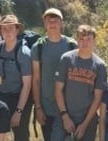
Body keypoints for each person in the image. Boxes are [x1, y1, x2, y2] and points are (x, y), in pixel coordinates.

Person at [53, 24, 108, 141]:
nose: (85, 43)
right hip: (65, 115)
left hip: (87, 119)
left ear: (94, 41)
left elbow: (98, 98)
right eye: (81, 39)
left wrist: (85, 124)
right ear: (77, 40)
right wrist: (65, 116)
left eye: (89, 39)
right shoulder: (66, 59)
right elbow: (58, 89)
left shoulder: (100, 65)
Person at [31, 8, 77, 141]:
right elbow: (36, 80)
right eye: (48, 20)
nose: (52, 23)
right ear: (44, 24)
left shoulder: (72, 45)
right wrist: (38, 107)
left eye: (56, 20)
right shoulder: (38, 47)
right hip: (47, 108)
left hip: (69, 108)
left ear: (62, 23)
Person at [0, 14, 32, 141]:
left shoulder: (24, 52)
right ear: (0, 31)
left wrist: (19, 111)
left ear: (17, 30)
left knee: (21, 135)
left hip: (19, 97)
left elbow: (27, 85)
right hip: (1, 95)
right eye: (4, 28)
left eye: (11, 28)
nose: (7, 31)